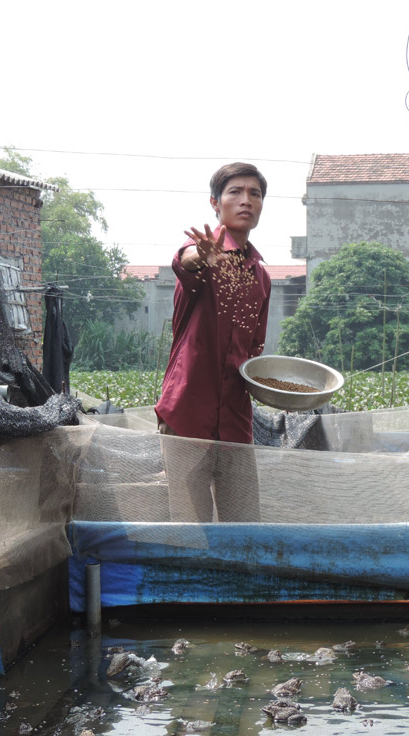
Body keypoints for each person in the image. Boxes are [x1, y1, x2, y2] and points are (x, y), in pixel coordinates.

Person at [155, 163, 271, 521]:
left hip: (235, 419)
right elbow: (185, 262)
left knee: (244, 519)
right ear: (215, 203)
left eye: (255, 193)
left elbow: (254, 350)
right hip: (188, 410)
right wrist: (200, 257)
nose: (246, 200)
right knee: (192, 524)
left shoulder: (261, 274)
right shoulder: (203, 252)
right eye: (235, 192)